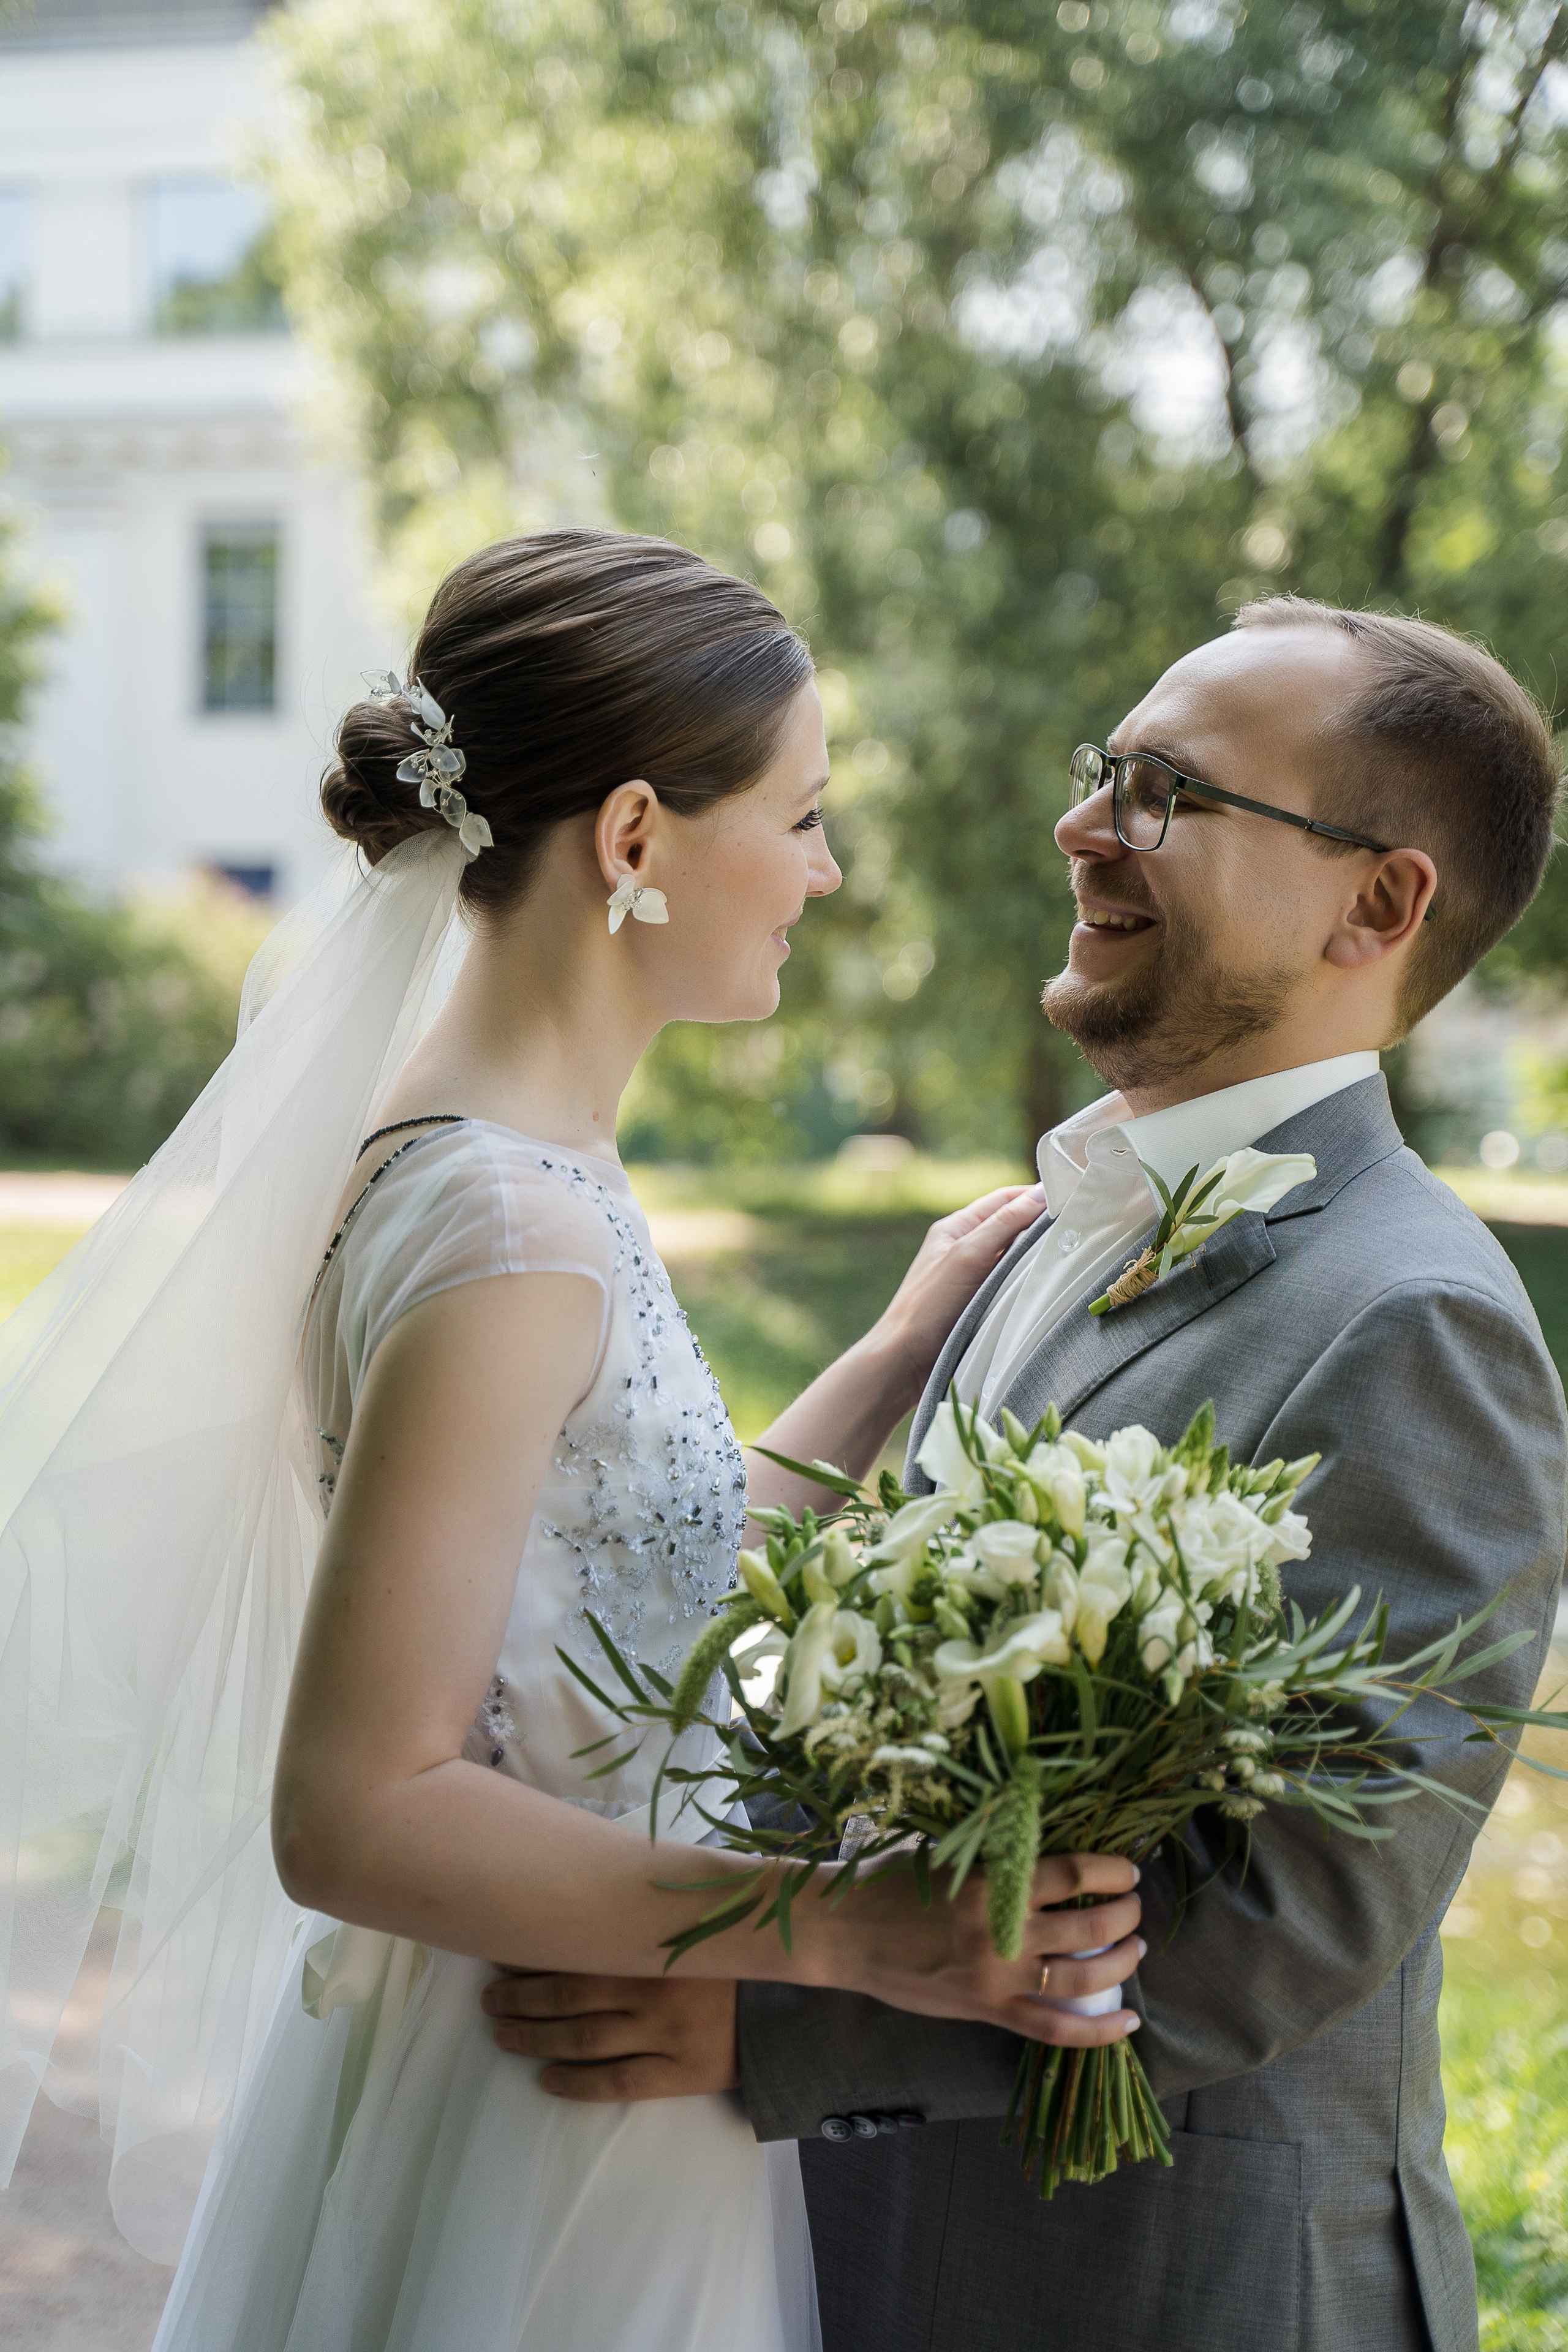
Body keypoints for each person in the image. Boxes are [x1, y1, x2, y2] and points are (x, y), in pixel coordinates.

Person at [0, 529, 1144, 2352]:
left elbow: (605, 1587)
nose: (826, 872)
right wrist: (852, 1931)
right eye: (800, 814)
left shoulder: (492, 1157)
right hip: (550, 2083)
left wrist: (890, 1353)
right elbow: (357, 1808)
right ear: (633, 840)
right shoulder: (512, 1229)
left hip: (559, 2014)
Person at [484, 598, 1568, 2352]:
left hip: (1163, 2287)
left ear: (1377, 903)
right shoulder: (1034, 1235)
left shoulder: (1416, 1319)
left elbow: (1290, 1919)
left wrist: (772, 2025)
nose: (1084, 826)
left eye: (1166, 792)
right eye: (1102, 771)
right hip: (895, 2250)